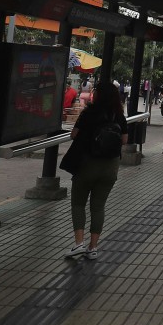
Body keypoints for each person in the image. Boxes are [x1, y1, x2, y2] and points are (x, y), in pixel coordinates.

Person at [59, 82, 128, 261]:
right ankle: (93, 247)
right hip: (110, 167)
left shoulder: (89, 113)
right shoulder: (118, 115)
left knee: (78, 204)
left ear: (98, 95)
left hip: (87, 164)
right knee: (98, 207)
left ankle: (79, 244)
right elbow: (124, 140)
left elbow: (74, 134)